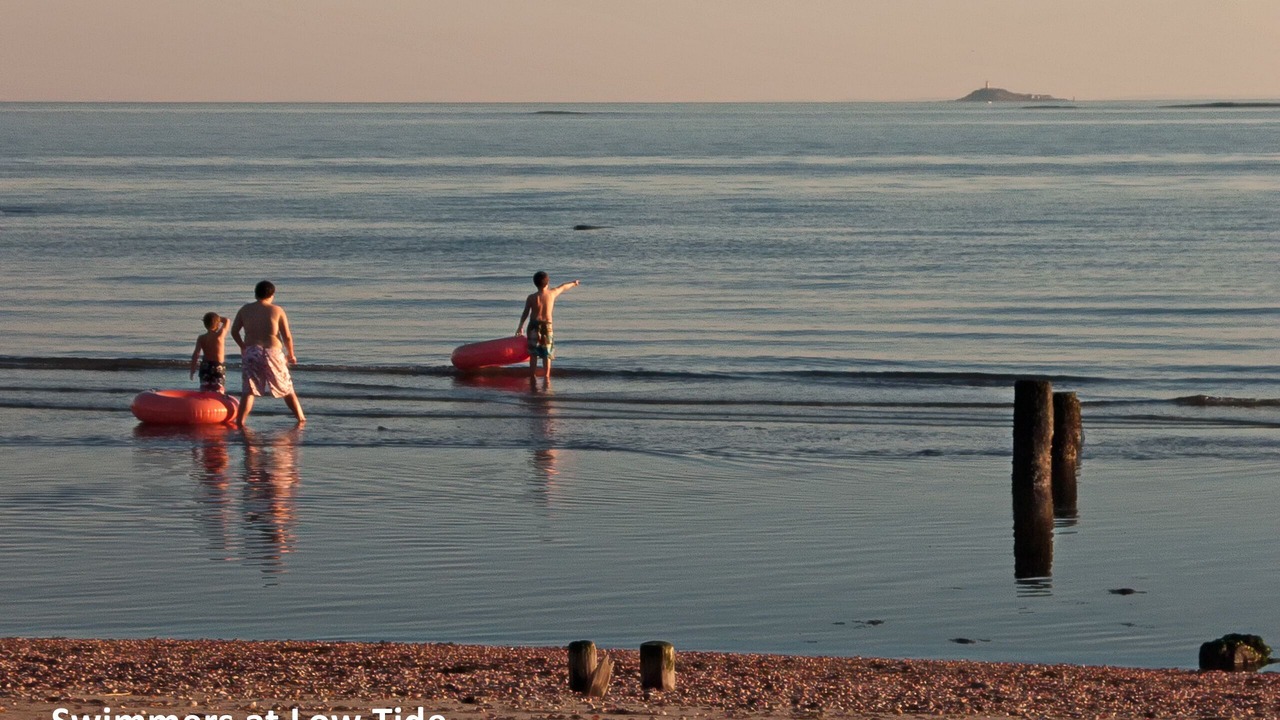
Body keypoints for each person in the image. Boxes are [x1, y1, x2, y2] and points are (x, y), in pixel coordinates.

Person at [230, 280, 305, 426]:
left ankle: (240, 421)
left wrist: (243, 346)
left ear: (255, 293)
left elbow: (234, 332)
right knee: (287, 388)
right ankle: (300, 418)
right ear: (272, 294)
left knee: (249, 390)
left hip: (252, 351)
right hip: (273, 352)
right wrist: (291, 354)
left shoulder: (245, 309)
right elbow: (287, 336)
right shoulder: (277, 310)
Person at [516, 271, 580, 377]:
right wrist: (574, 283)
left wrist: (520, 326)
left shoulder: (531, 297)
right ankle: (546, 375)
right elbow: (563, 287)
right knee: (547, 353)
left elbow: (525, 313)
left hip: (533, 325)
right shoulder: (552, 293)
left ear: (534, 283)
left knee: (533, 354)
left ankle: (532, 375)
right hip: (547, 326)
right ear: (548, 282)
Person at [189, 312, 230, 393]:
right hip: (217, 366)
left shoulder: (201, 338)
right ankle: (217, 401)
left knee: (205, 388)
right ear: (218, 325)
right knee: (218, 388)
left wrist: (192, 369)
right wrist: (217, 319)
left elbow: (196, 354)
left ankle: (205, 402)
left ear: (204, 324)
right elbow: (227, 320)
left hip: (205, 366)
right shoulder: (219, 335)